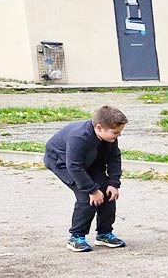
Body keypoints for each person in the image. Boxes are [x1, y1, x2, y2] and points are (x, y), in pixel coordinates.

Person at [44, 106, 128, 253]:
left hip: (90, 160)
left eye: (119, 132)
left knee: (107, 194)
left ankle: (104, 234)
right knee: (87, 198)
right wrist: (92, 190)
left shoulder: (109, 136)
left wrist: (113, 183)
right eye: (115, 132)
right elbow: (74, 166)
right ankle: (76, 237)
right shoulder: (79, 137)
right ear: (99, 127)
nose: (118, 135)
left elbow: (114, 157)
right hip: (63, 163)